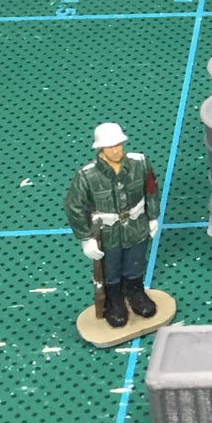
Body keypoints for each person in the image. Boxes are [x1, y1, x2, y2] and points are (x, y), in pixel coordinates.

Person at [64, 122, 160, 329]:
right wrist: (86, 238)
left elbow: (151, 190)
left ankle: (135, 293)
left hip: (136, 227)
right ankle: (114, 301)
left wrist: (153, 216)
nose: (116, 150)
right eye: (110, 147)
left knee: (135, 263)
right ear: (100, 148)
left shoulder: (140, 163)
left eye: (118, 145)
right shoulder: (87, 176)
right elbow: (74, 207)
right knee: (111, 269)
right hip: (108, 234)